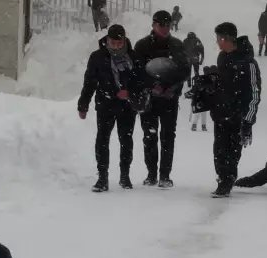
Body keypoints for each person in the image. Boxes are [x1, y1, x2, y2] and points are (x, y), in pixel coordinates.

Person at [133, 10, 190, 189]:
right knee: (149, 135)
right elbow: (137, 71)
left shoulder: (177, 45)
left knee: (167, 136)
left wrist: (169, 88)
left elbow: (184, 71)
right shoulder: (142, 45)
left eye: (167, 25)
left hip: (169, 98)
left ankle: (165, 175)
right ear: (153, 24)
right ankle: (151, 174)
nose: (164, 29)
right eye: (161, 25)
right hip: (149, 98)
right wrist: (152, 85)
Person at [78, 24, 139, 191]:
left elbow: (140, 81)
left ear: (125, 41)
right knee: (102, 139)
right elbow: (90, 82)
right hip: (106, 104)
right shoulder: (98, 57)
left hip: (127, 106)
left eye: (120, 43)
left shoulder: (133, 57)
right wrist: (83, 105)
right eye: (113, 43)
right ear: (107, 41)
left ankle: (125, 175)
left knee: (126, 139)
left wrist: (130, 93)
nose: (117, 47)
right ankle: (102, 177)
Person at [204, 22, 261, 197]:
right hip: (220, 114)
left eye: (218, 38)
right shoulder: (222, 57)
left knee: (232, 153)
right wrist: (210, 81)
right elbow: (222, 85)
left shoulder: (248, 63)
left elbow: (254, 94)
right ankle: (222, 179)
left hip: (238, 117)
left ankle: (227, 181)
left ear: (226, 38)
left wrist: (248, 121)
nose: (217, 43)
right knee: (218, 151)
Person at [190, 66, 213, 132]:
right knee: (199, 113)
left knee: (203, 113)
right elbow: (197, 88)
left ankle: (201, 126)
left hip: (203, 98)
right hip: (200, 98)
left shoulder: (205, 78)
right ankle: (195, 126)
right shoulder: (202, 78)